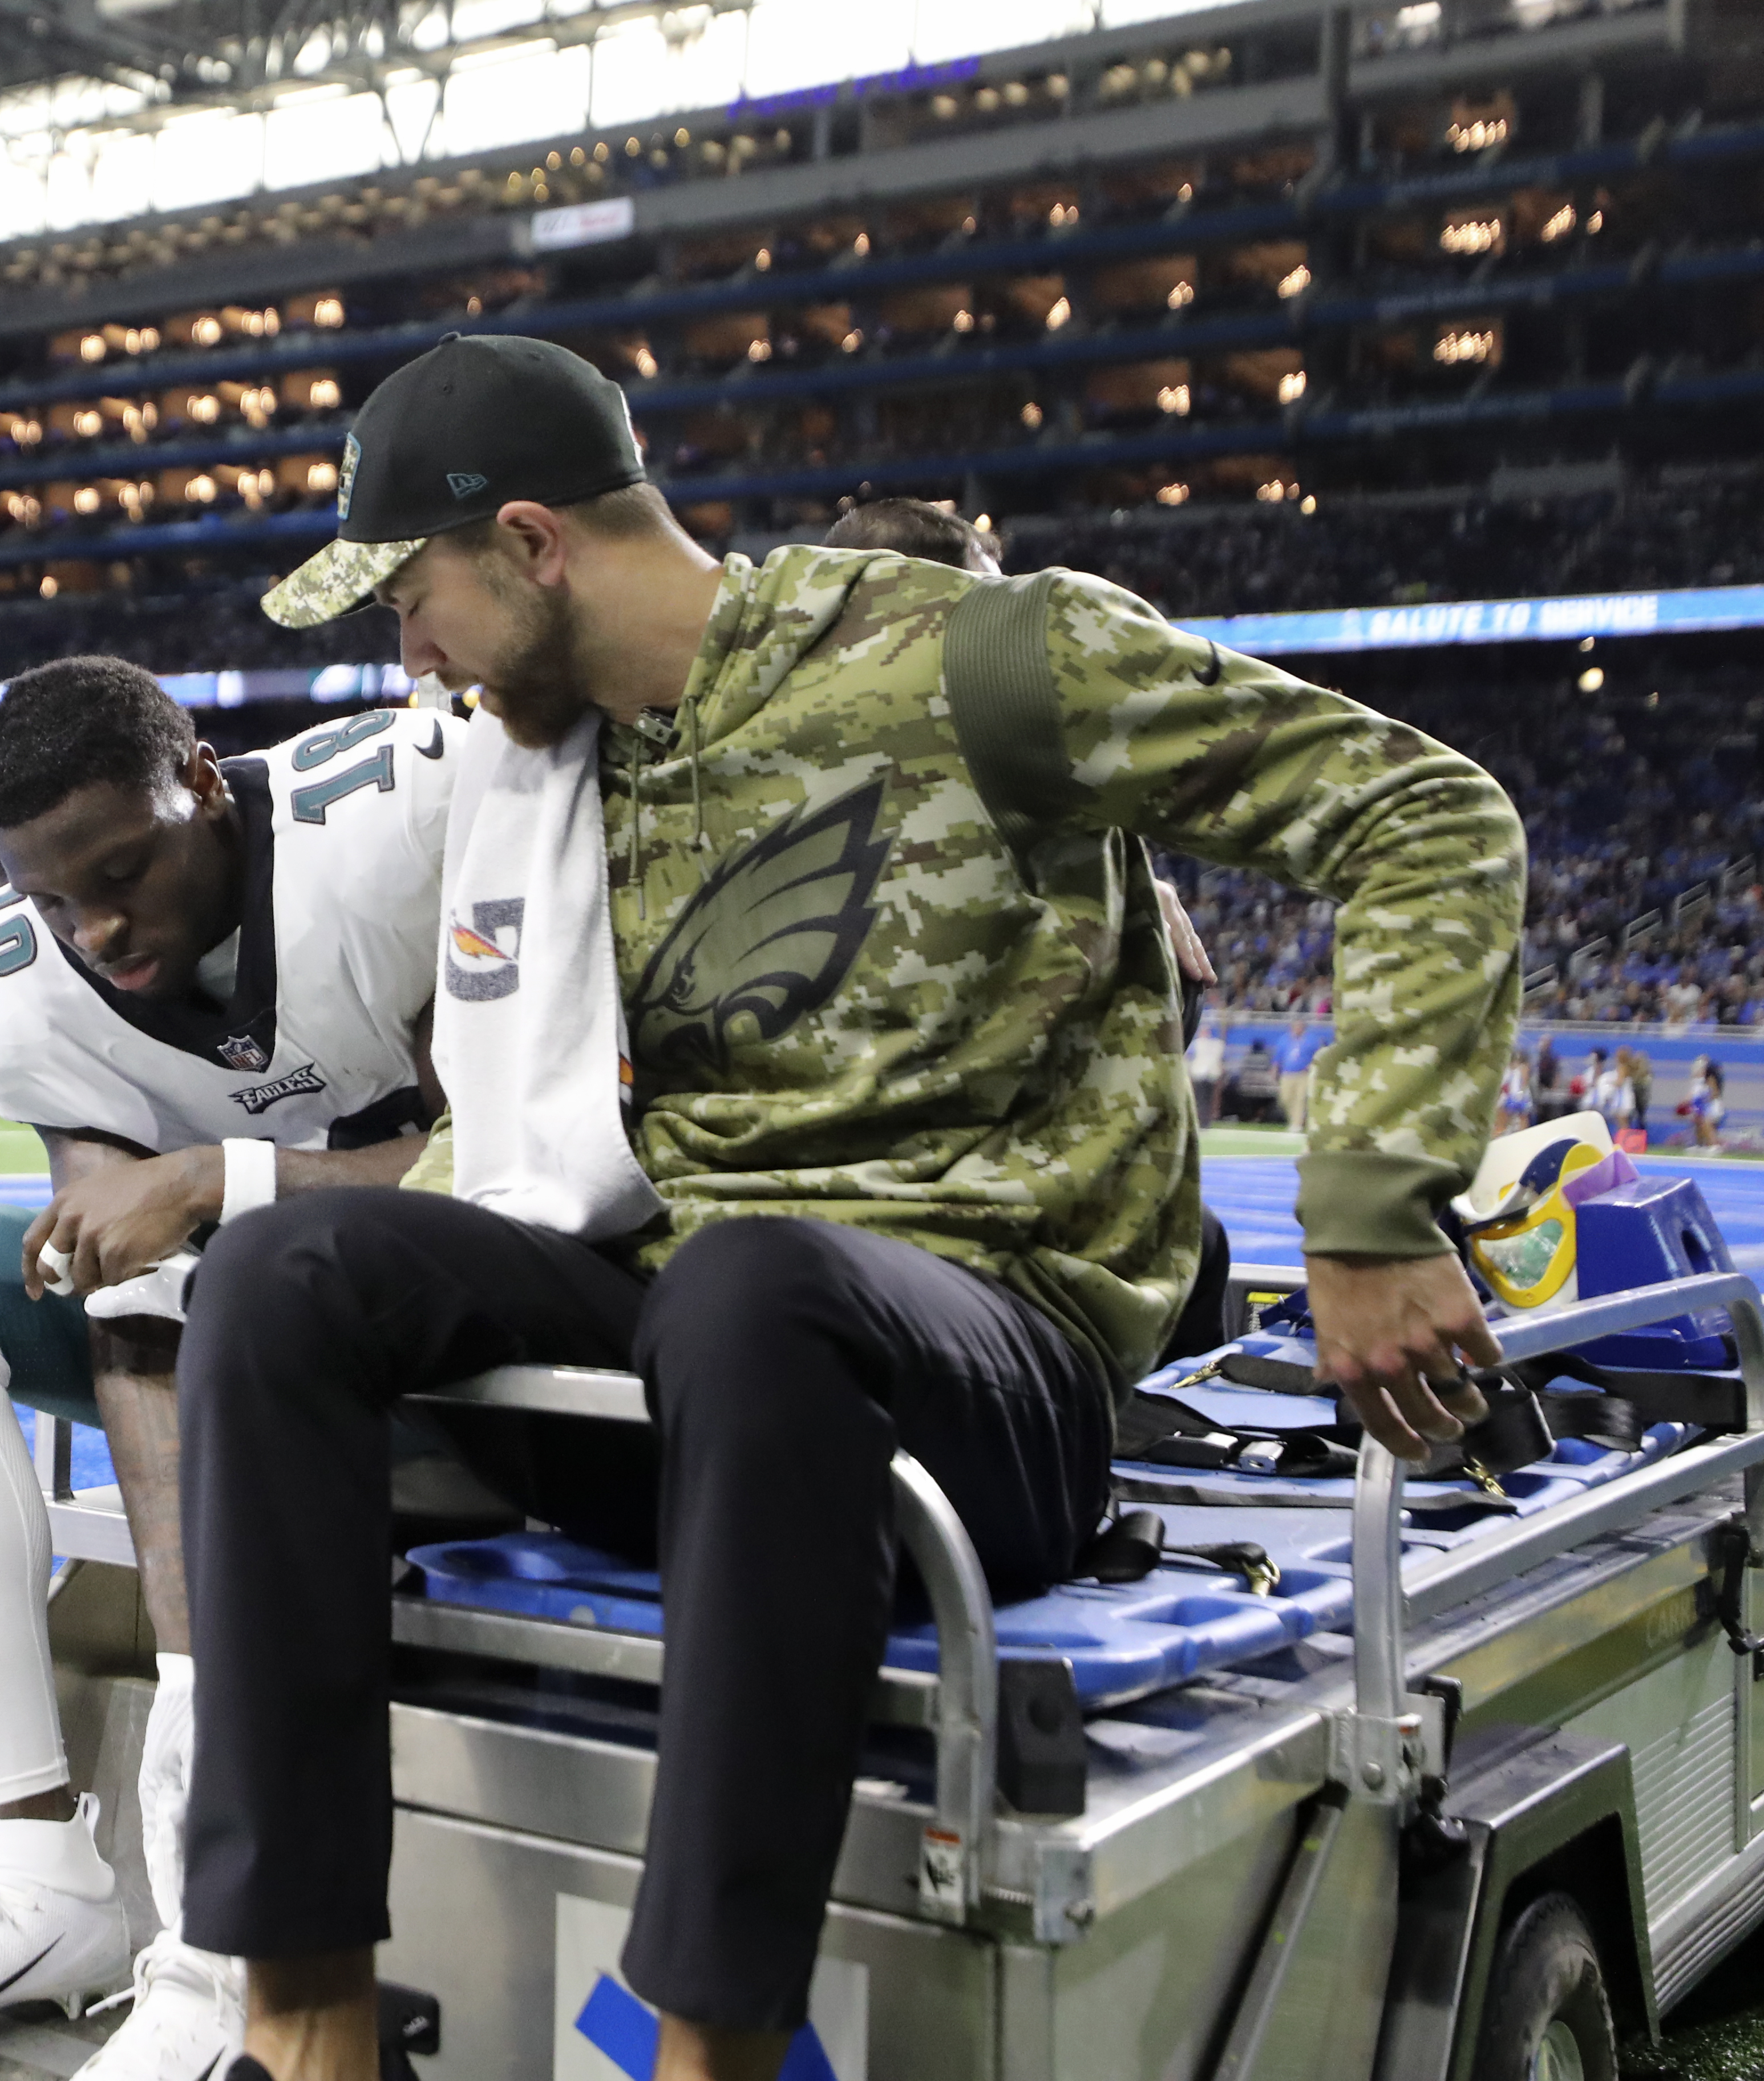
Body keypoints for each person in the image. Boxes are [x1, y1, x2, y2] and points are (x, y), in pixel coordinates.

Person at [186, 332, 1524, 2081]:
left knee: (758, 1288)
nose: (408, 655)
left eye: (410, 599)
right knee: (281, 1274)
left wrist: (1366, 1204)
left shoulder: (979, 655)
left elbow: (1426, 811)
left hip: (983, 1385)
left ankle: (713, 2052)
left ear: (531, 542)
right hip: (690, 1364)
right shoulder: (543, 761)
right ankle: (306, 2034)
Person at [0, 657, 458, 2080]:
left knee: (230, 1275)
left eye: (124, 868)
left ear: (204, 782)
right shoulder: (12, 990)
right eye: (51, 899)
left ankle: (222, 1942)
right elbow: (124, 1260)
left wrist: (230, 1176)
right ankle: (40, 1878)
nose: (96, 927)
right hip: (235, 1316)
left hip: (455, 1302)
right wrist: (199, 1208)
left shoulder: (390, 829)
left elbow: (520, 1172)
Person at [1279, 1011, 1328, 1135]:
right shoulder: (1285, 1039)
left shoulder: (1312, 1040)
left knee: (1300, 1099)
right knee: (1285, 1098)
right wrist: (1275, 1068)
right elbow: (1280, 1056)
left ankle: (1297, 1124)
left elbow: (1320, 1055)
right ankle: (1293, 1120)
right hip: (1287, 1073)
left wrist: (1311, 1066)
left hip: (1303, 1074)